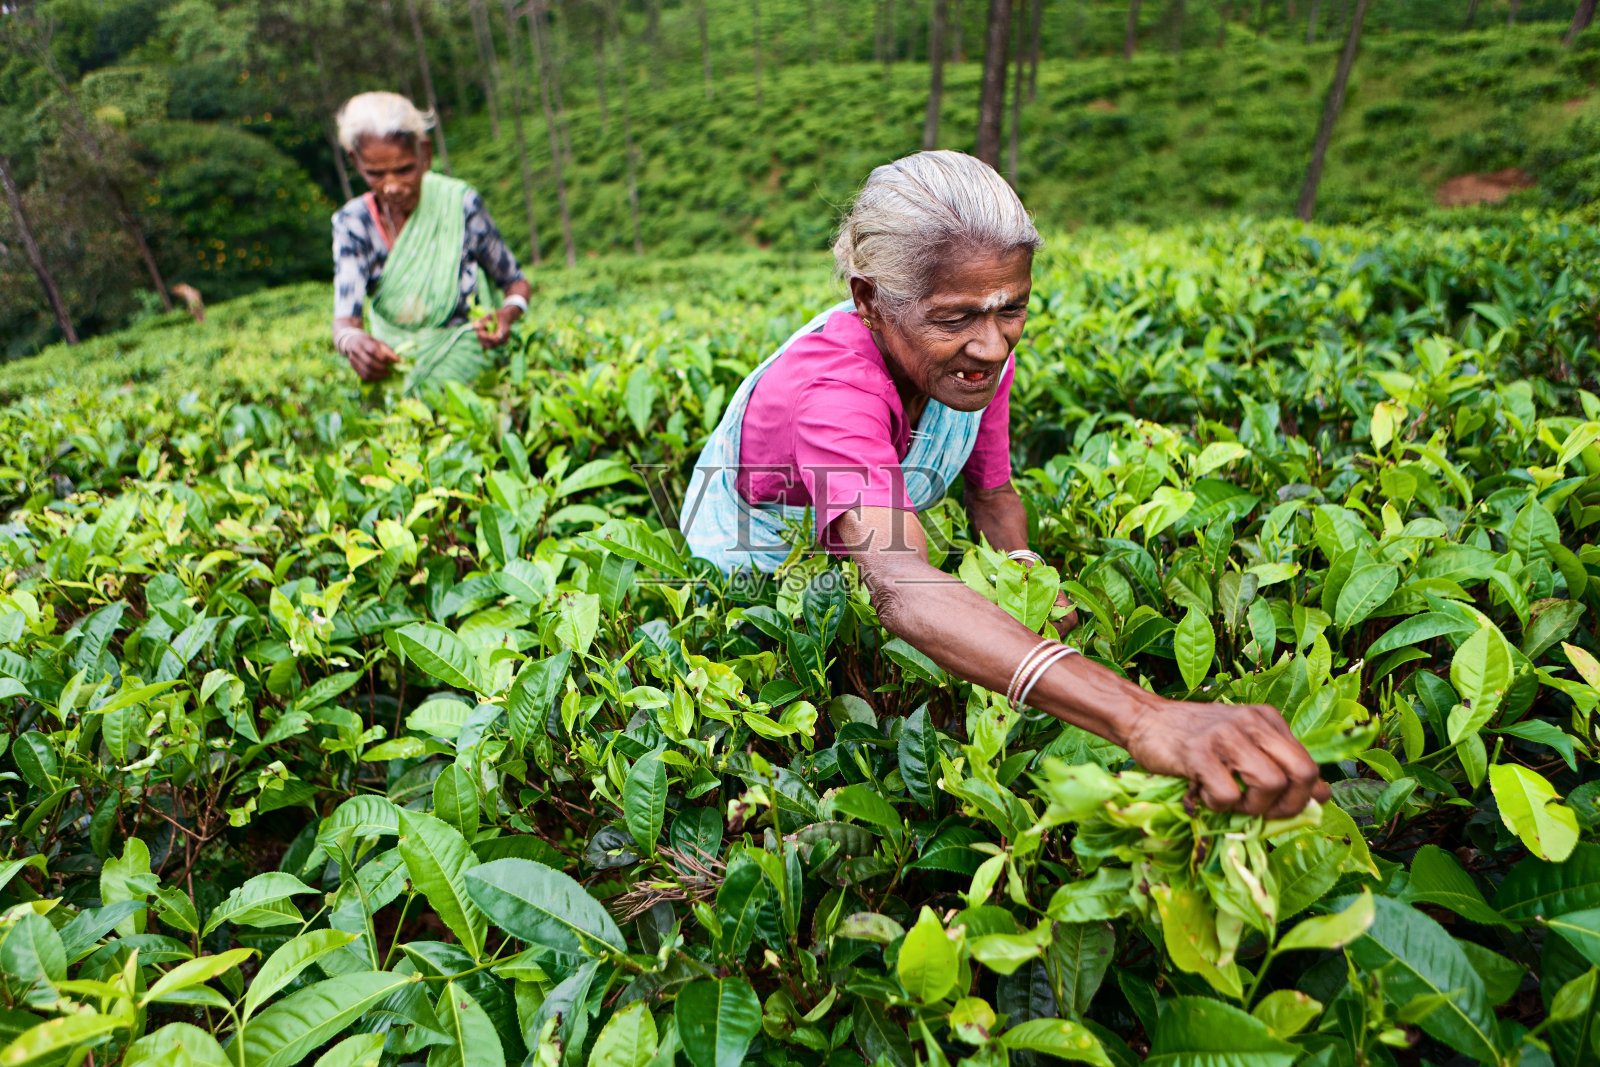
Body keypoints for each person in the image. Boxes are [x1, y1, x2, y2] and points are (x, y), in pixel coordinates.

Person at [683, 151, 1327, 818]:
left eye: (1011, 308)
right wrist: (1142, 717)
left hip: (852, 551)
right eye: (956, 317)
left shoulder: (970, 364)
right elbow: (900, 579)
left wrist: (1023, 567)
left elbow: (990, 493)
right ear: (869, 301)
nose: (992, 345)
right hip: (752, 584)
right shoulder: (833, 388)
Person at [329, 91, 533, 393]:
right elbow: (345, 321)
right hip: (398, 379)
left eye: (404, 170)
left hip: (473, 378)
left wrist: (506, 314)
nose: (392, 186)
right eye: (375, 174)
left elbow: (516, 283)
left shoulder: (460, 205)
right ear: (355, 162)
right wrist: (353, 343)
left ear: (424, 152)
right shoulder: (353, 223)